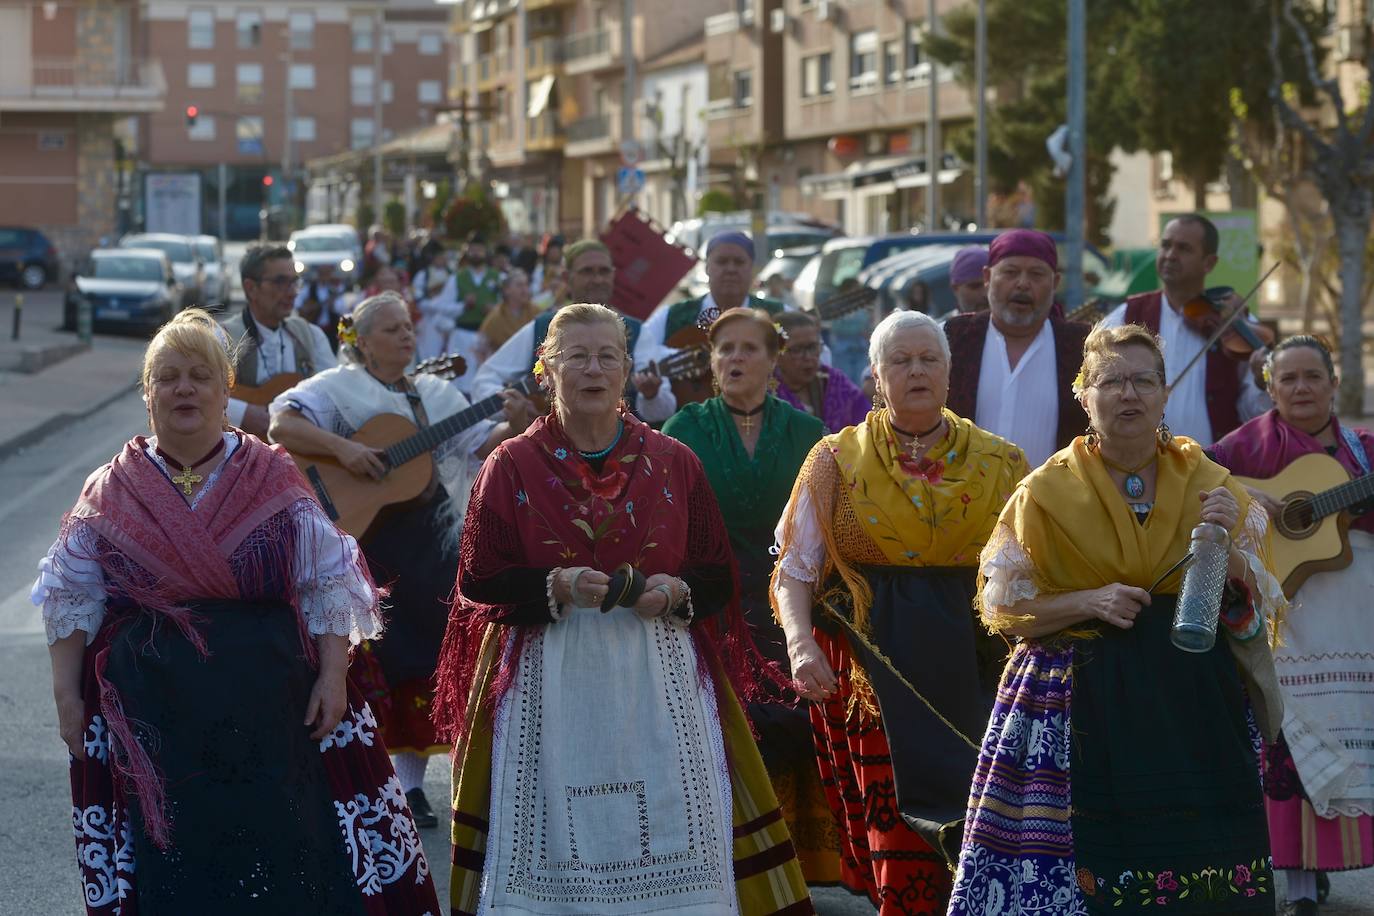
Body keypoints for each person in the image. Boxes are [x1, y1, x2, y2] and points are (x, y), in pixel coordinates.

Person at [34, 309, 440, 914]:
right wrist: (69, 700)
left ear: (226, 392)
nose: (184, 389)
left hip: (272, 707)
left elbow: (327, 578)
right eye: (167, 377)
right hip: (155, 714)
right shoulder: (110, 488)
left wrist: (333, 676)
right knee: (176, 860)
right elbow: (72, 595)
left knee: (285, 852)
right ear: (147, 395)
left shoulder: (271, 475)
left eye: (200, 376)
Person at [432, 303, 814, 914]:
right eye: (576, 356)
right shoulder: (509, 465)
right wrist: (554, 584)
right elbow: (479, 579)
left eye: (608, 356)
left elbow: (716, 575)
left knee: (674, 818)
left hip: (657, 674)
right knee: (546, 835)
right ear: (544, 371)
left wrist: (674, 592)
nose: (593, 368)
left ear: (629, 370)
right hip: (544, 674)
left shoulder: (674, 461)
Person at [948, 323, 1285, 915]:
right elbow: (1002, 608)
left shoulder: (1209, 481)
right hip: (1085, 698)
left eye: (1143, 380)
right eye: (1112, 381)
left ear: (1164, 393)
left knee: (1208, 868)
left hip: (1194, 701)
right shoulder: (1044, 492)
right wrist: (1089, 601)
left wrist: (1228, 538)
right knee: (1101, 875)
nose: (1128, 394)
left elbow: (1253, 600)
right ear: (1084, 394)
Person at [771, 310, 1027, 914]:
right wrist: (801, 645)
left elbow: (1031, 573)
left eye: (928, 359)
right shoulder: (834, 461)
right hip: (871, 670)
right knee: (896, 830)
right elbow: (795, 570)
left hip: (975, 665)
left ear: (949, 372)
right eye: (900, 361)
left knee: (982, 820)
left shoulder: (1003, 464)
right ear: (875, 378)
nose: (916, 371)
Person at [268, 292, 528, 827]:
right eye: (391, 330)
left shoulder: (436, 392)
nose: (407, 336)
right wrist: (345, 451)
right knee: (389, 659)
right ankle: (401, 789)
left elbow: (482, 444)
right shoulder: (337, 386)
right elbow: (283, 424)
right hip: (369, 544)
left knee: (437, 659)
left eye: (408, 327)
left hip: (431, 542)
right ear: (361, 343)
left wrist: (516, 420)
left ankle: (462, 787)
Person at [661, 308, 835, 882]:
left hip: (794, 605)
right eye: (724, 349)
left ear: (773, 359)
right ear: (711, 362)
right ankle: (722, 867)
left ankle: (795, 870)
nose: (735, 358)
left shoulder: (810, 434)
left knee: (794, 729)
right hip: (710, 606)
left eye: (749, 348)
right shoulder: (685, 429)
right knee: (724, 735)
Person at [1208, 336, 1374, 916]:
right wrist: (1245, 490)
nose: (1301, 388)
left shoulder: (1365, 450)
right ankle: (1300, 886)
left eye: (1312, 377)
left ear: (1333, 384)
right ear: (1271, 389)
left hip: (1358, 621)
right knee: (1288, 745)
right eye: (1288, 379)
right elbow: (1188, 472)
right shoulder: (1247, 445)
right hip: (1285, 622)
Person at [1101, 213, 1271, 446]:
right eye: (1166, 245)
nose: (1170, 255)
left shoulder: (1234, 324)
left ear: (1209, 263)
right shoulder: (1126, 315)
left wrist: (1263, 382)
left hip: (1214, 468)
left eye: (1183, 249)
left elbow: (1254, 414)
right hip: (1140, 467)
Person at [469, 239, 676, 422]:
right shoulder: (544, 326)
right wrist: (514, 408)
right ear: (567, 278)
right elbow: (485, 380)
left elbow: (663, 408)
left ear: (613, 276)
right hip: (549, 455)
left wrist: (651, 395)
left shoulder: (637, 332)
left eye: (604, 271)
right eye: (587, 271)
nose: (597, 279)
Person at [944, 228, 1092, 467]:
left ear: (1055, 283)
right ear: (987, 277)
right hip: (961, 501)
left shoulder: (1082, 348)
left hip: (1052, 501)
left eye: (1036, 274)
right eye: (1010, 272)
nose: (1023, 284)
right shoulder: (953, 338)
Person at [635, 232, 785, 406]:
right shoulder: (670, 317)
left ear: (751, 267)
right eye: (721, 261)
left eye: (739, 262)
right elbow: (641, 359)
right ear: (707, 267)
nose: (730, 268)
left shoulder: (779, 314)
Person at [227, 244, 336, 439]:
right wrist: (245, 413)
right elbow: (200, 396)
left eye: (294, 282)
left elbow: (335, 396)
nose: (293, 292)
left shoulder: (310, 335)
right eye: (280, 282)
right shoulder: (221, 337)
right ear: (250, 288)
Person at [771, 310, 870, 434]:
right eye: (796, 350)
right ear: (776, 354)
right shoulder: (766, 394)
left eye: (812, 347)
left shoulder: (835, 383)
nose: (808, 357)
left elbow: (867, 424)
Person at [478, 266, 544, 358]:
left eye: (526, 285)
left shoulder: (536, 312)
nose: (525, 290)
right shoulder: (496, 317)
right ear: (507, 290)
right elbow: (480, 349)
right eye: (519, 285)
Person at [295, 262, 349, 350]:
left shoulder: (334, 289)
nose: (325, 276)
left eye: (327, 274)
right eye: (322, 273)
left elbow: (341, 308)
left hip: (331, 328)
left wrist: (333, 305)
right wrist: (307, 309)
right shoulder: (310, 288)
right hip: (313, 325)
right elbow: (297, 302)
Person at [948, 246, 990, 315]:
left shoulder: (1012, 321)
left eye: (990, 284)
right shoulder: (943, 325)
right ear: (955, 288)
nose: (985, 294)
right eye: (975, 286)